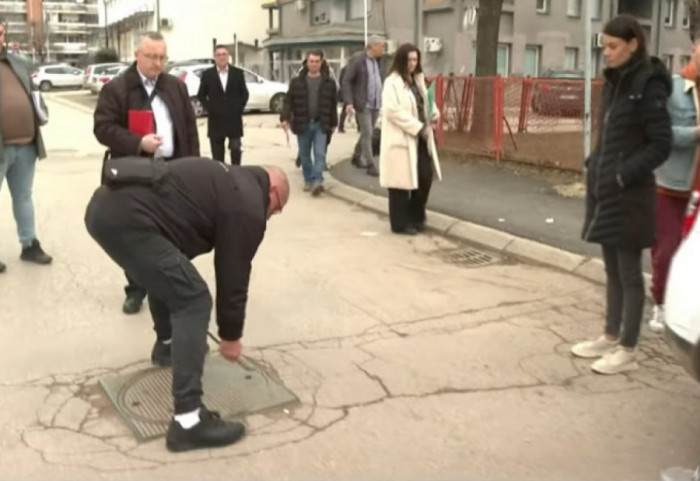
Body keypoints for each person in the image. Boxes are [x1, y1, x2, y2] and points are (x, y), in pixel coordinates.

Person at [84, 156, 290, 452]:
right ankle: (188, 421)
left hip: (104, 210)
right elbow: (234, 270)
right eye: (277, 208)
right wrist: (231, 336)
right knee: (194, 299)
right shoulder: (247, 204)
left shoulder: (227, 179)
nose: (272, 214)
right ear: (273, 191)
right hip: (129, 220)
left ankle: (167, 346)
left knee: (174, 279)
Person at [572, 15, 672, 375]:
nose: (608, 53)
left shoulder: (649, 85)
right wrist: (595, 161)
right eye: (605, 46)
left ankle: (628, 347)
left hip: (631, 196)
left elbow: (662, 145)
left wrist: (621, 173)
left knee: (630, 274)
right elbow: (612, 133)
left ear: (633, 44)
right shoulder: (616, 81)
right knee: (612, 269)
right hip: (606, 190)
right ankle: (610, 336)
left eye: (614, 46)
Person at [94, 31, 200, 316]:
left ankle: (169, 285)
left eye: (162, 57)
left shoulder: (175, 88)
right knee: (135, 234)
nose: (157, 63)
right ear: (137, 55)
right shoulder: (117, 89)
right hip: (135, 174)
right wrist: (137, 142)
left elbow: (189, 129)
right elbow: (102, 129)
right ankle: (136, 288)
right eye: (151, 57)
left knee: (171, 232)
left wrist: (194, 169)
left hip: (172, 170)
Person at [648, 40, 700, 333]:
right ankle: (661, 303)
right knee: (667, 247)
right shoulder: (673, 88)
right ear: (695, 49)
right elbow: (661, 133)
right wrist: (696, 133)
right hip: (672, 185)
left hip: (699, 190)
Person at [0, 19, 52, 272]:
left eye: (0, 32)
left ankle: (29, 244)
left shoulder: (17, 63)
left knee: (23, 197)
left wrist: (41, 111)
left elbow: (35, 94)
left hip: (26, 145)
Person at [379, 43, 441, 235]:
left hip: (421, 137)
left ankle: (417, 216)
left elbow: (427, 102)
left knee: (424, 178)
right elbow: (392, 111)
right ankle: (400, 223)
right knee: (399, 184)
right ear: (401, 61)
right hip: (402, 138)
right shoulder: (392, 83)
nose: (412, 64)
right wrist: (417, 127)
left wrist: (435, 114)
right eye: (409, 60)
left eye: (415, 60)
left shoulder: (418, 80)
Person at [281, 50, 338, 196]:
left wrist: (334, 122)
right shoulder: (297, 82)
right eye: (311, 61)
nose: (314, 64)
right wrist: (285, 118)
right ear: (306, 62)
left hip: (321, 124)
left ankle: (317, 180)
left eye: (317, 61)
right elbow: (288, 101)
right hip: (303, 123)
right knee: (305, 155)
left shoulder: (329, 83)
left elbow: (332, 104)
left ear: (321, 63)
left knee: (320, 154)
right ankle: (308, 179)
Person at [197, 45, 249, 165]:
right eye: (218, 55)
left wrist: (238, 108)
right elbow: (201, 95)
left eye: (224, 54)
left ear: (228, 56)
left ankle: (236, 176)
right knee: (217, 155)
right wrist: (210, 108)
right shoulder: (207, 75)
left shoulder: (237, 73)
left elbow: (245, 94)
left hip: (234, 119)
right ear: (214, 57)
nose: (221, 57)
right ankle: (220, 180)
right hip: (216, 120)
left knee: (236, 150)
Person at [342, 35, 386, 177]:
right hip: (363, 103)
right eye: (381, 46)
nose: (383, 49)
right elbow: (346, 81)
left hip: (375, 103)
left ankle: (357, 155)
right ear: (372, 46)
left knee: (368, 132)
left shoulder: (377, 61)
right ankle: (370, 164)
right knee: (368, 133)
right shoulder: (358, 60)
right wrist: (349, 102)